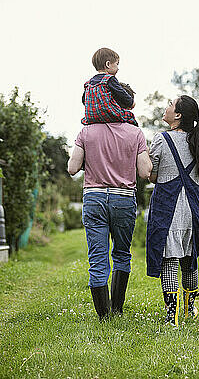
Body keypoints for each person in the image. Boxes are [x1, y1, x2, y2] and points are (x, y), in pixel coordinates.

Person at [67, 120, 152, 320]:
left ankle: (104, 317)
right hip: (123, 198)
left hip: (94, 197)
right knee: (122, 254)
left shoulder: (86, 131)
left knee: (97, 258)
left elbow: (72, 168)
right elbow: (144, 172)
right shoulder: (135, 133)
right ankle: (117, 310)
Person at [146, 95, 199, 325]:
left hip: (168, 207)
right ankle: (189, 307)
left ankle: (171, 315)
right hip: (193, 209)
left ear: (178, 115)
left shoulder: (161, 140)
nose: (166, 107)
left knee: (169, 259)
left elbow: (152, 175)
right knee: (189, 258)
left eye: (170, 104)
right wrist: (197, 199)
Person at [81, 47, 138, 126]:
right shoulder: (109, 79)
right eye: (116, 64)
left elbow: (84, 100)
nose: (118, 68)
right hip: (110, 114)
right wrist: (131, 103)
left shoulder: (88, 83)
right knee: (130, 117)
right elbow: (121, 93)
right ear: (108, 64)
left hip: (91, 118)